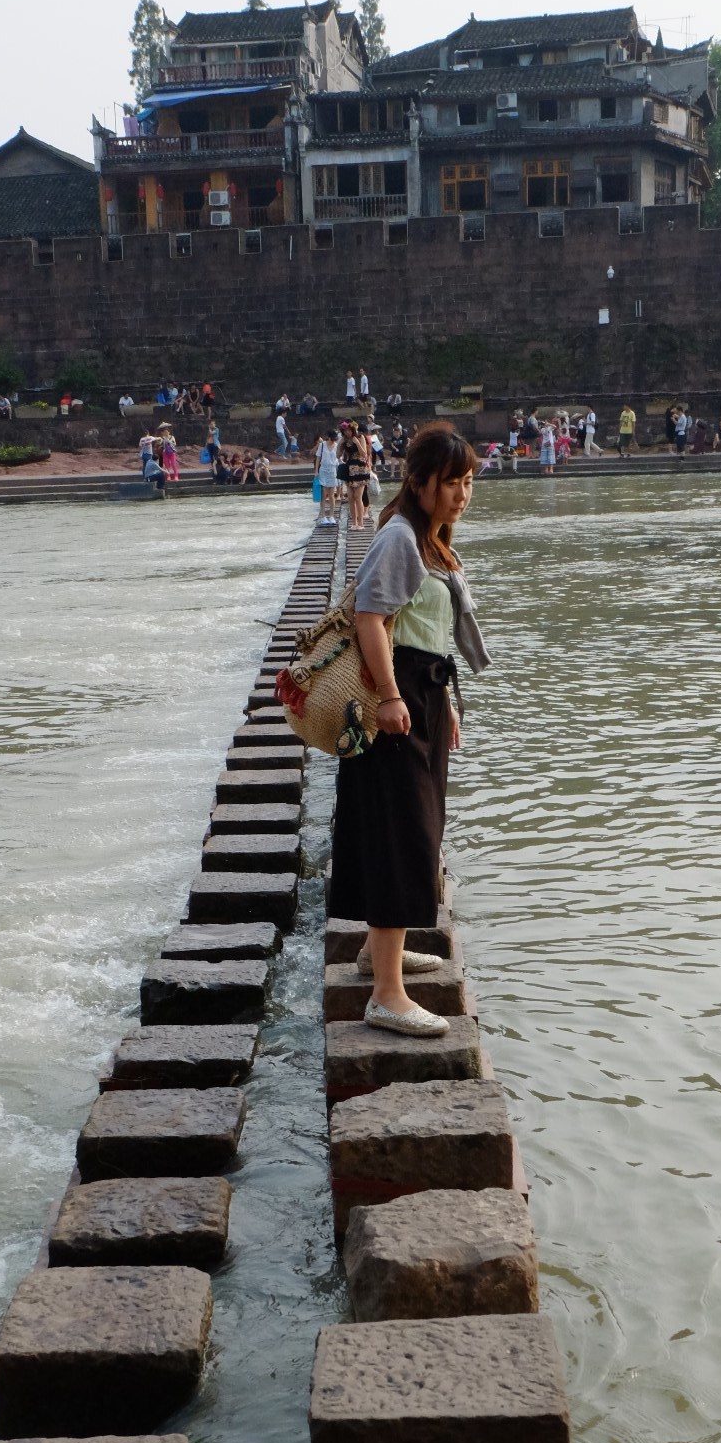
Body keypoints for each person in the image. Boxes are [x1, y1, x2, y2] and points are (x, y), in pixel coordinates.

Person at [327, 422, 490, 1037]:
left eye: (468, 482)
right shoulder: (400, 538)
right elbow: (371, 618)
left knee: (416, 825)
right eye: (452, 482)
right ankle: (386, 995)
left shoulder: (426, 539)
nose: (461, 494)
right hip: (395, 701)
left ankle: (378, 954)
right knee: (404, 834)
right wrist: (394, 695)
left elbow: (427, 632)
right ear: (419, 482)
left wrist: (441, 699)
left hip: (422, 694)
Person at [341, 419, 372, 531]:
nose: (347, 433)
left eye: (349, 430)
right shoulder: (344, 440)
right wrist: (340, 444)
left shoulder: (360, 437)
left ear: (353, 429)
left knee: (358, 497)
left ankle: (361, 523)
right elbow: (338, 455)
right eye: (345, 431)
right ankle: (354, 522)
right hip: (349, 468)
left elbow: (364, 454)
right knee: (350, 497)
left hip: (360, 468)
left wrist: (357, 442)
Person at [315, 429, 340, 525]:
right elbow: (318, 458)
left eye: (334, 439)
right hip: (323, 470)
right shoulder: (322, 445)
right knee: (323, 494)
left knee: (331, 495)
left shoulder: (337, 446)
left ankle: (332, 516)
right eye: (331, 439)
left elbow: (339, 459)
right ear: (328, 437)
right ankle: (323, 516)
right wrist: (316, 471)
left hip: (332, 470)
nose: (332, 441)